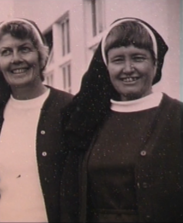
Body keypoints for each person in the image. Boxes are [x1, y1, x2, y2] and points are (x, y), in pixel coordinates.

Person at [60, 17, 183, 222]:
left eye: (138, 58)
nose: (128, 69)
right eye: (118, 60)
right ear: (106, 67)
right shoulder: (91, 120)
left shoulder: (177, 117)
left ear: (155, 63)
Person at [0, 18, 73, 222]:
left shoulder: (68, 108)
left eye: (24, 49)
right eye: (6, 52)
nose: (16, 59)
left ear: (41, 56)